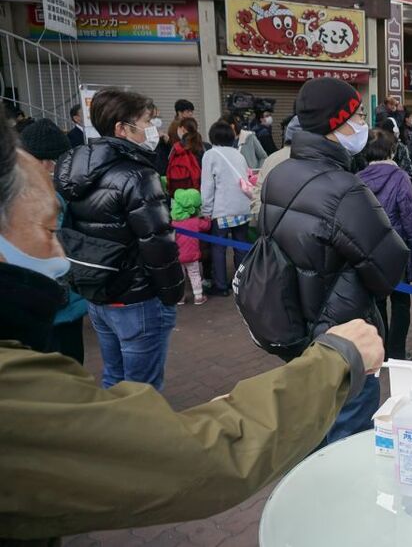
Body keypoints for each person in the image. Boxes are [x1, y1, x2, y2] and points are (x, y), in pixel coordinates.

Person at [0, 125, 388, 539]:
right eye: (47, 230)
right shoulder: (14, 392)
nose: (61, 254)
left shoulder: (279, 170)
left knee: (119, 377)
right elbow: (195, 455)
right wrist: (334, 359)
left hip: (121, 303)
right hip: (312, 326)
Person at [257, 77, 408, 445]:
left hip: (297, 327)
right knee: (348, 439)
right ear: (334, 123)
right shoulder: (345, 189)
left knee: (312, 428)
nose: (362, 126)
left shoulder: (279, 174)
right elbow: (390, 265)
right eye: (356, 117)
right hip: (345, 335)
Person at [54, 88, 184, 390]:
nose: (151, 128)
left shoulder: (71, 167)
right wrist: (172, 294)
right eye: (146, 121)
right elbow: (158, 242)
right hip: (137, 296)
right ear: (122, 128)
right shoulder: (137, 174)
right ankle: (140, 437)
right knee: (142, 389)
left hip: (99, 290)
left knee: (113, 377)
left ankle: (113, 434)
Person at [17, 118, 87, 363]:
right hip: (57, 306)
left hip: (31, 305)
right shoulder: (44, 194)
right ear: (47, 161)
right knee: (67, 372)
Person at [358, 129, 412, 360]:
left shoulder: (357, 179)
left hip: (368, 252)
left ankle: (381, 351)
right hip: (396, 251)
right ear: (392, 150)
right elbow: (411, 218)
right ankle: (396, 353)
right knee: (400, 303)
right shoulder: (400, 178)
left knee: (376, 304)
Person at [201, 120, 253, 297]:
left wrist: (206, 210)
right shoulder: (239, 155)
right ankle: (242, 283)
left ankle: (221, 286)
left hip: (223, 209)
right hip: (243, 207)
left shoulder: (210, 155)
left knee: (219, 247)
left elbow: (207, 185)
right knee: (240, 245)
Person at [170, 188, 211, 306]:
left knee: (179, 277)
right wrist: (207, 219)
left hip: (178, 256)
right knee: (194, 275)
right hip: (192, 256)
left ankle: (180, 298)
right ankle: (198, 297)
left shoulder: (173, 223)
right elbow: (206, 226)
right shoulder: (195, 221)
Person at [166, 117, 207, 196]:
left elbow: (168, 165)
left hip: (177, 194)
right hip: (197, 193)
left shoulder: (176, 147)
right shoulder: (202, 146)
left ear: (183, 129)